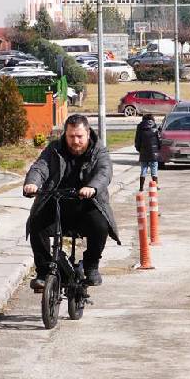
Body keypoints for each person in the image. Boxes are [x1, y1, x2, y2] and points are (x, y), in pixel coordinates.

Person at [23, 115, 120, 289]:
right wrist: (32, 183)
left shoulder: (99, 151)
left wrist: (92, 187)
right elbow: (40, 167)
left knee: (101, 225)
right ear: (65, 135)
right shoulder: (54, 149)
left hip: (88, 205)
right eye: (71, 136)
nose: (75, 141)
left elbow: (104, 172)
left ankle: (91, 266)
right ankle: (44, 272)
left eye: (79, 136)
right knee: (36, 222)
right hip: (57, 204)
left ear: (88, 134)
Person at [133, 113, 162, 191]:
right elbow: (159, 140)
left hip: (143, 152)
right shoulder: (155, 127)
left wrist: (139, 149)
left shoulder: (140, 128)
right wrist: (158, 149)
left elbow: (137, 141)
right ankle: (155, 185)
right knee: (154, 169)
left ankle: (141, 187)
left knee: (143, 169)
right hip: (154, 152)